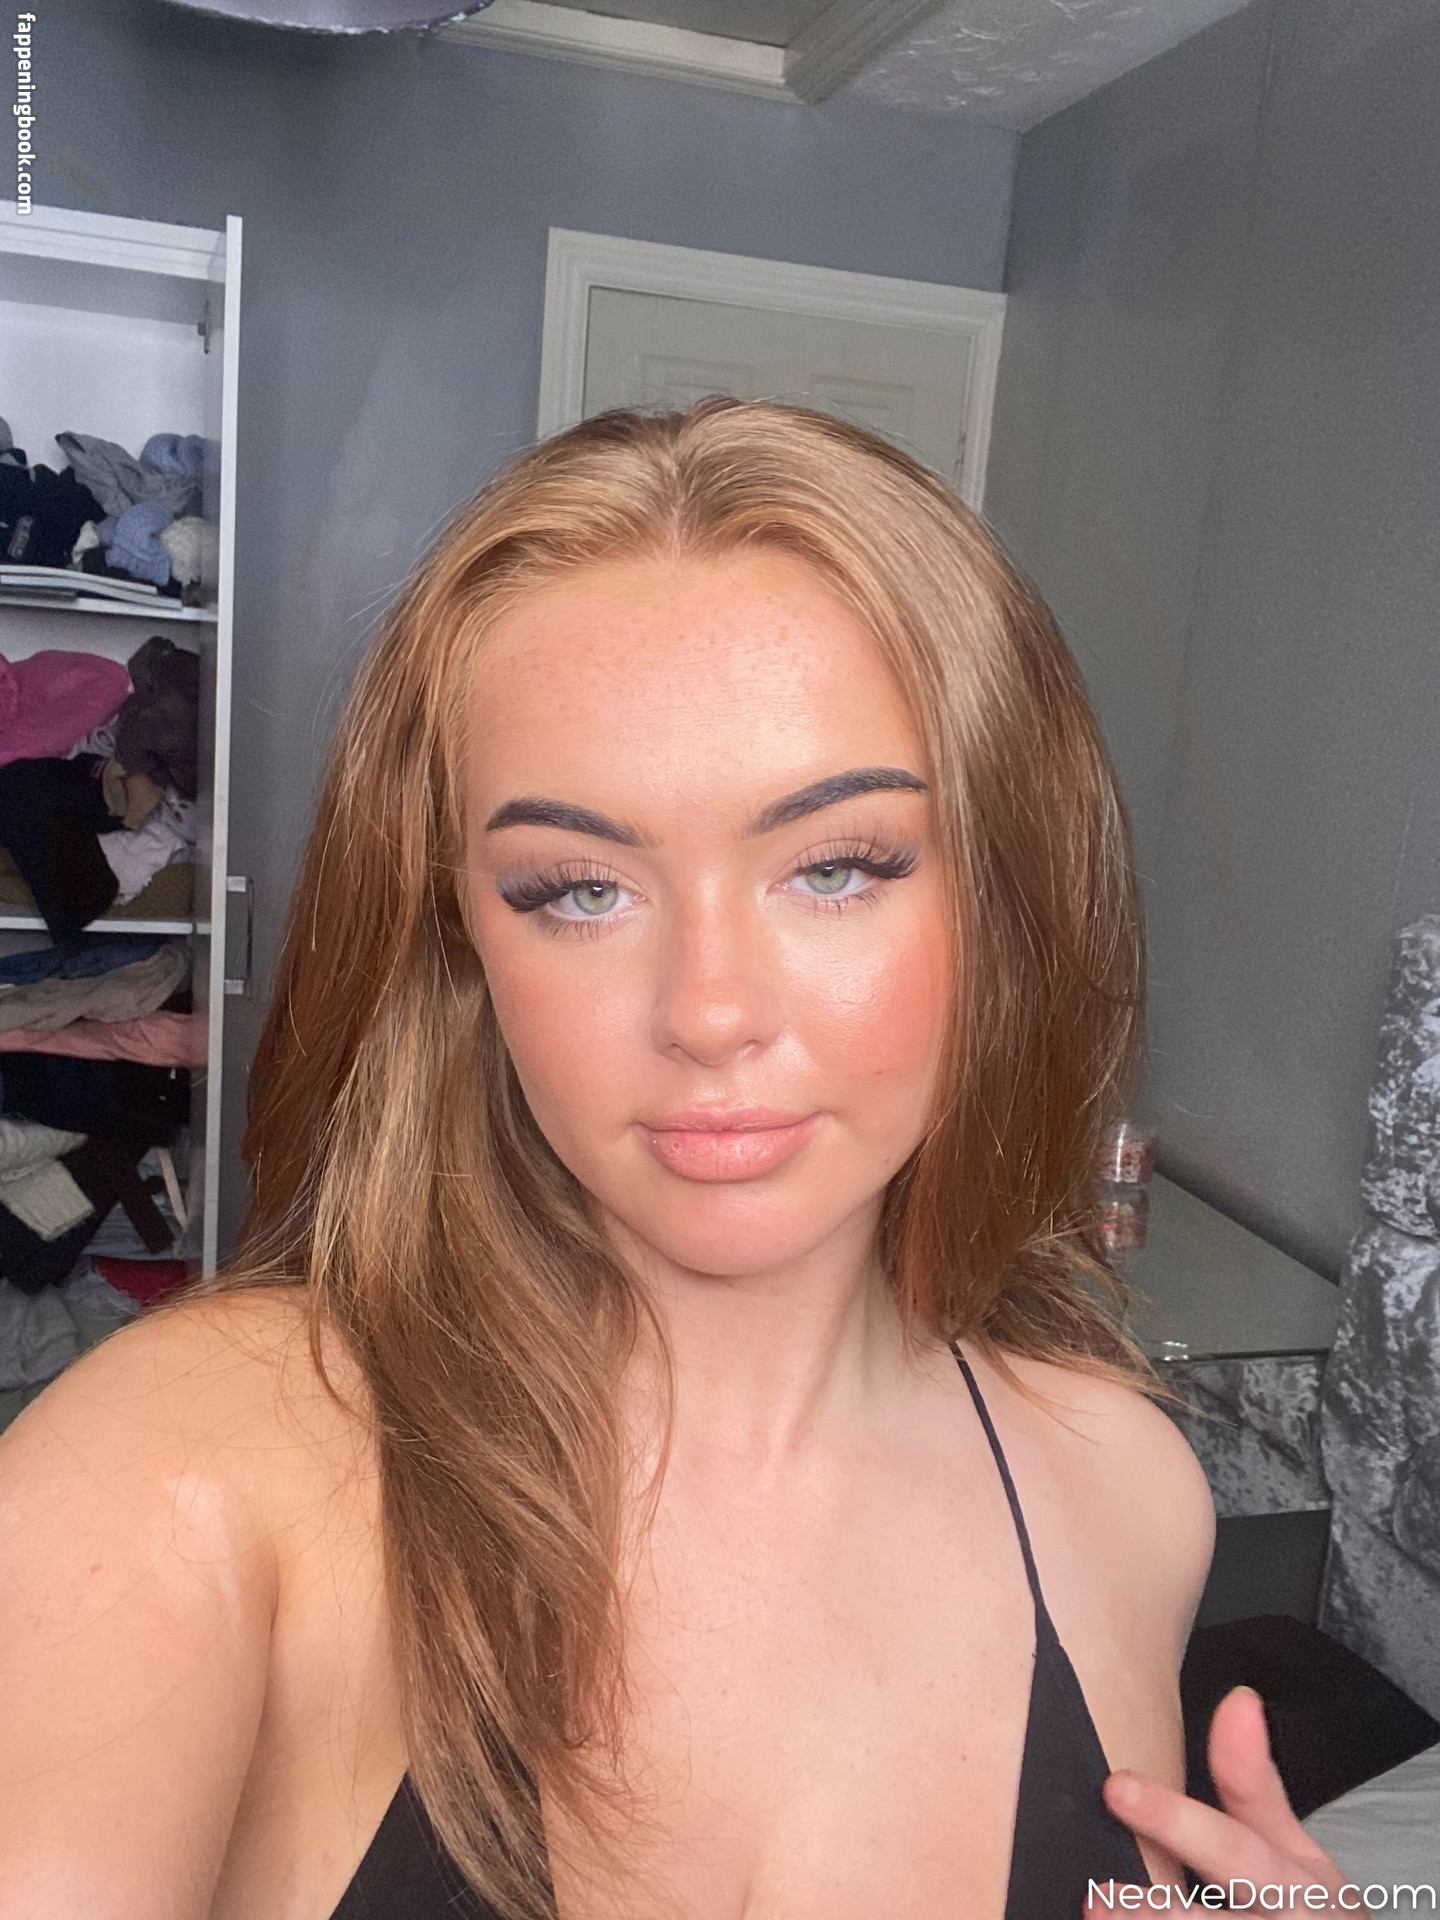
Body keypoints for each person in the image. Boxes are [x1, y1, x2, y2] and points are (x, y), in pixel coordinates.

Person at [0, 401, 1350, 1919]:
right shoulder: (176, 1481)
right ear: (463, 938)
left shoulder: (1126, 1497)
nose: (709, 1013)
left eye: (837, 866)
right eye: (579, 889)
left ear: (1007, 897)